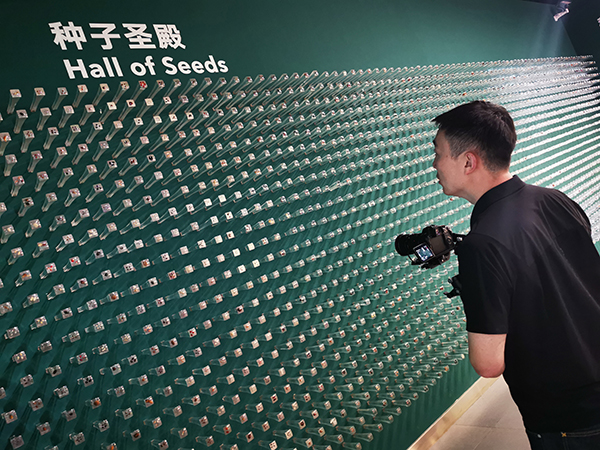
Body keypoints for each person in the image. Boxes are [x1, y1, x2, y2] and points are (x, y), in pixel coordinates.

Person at [431, 100, 600, 449]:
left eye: (438, 153)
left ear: (468, 161)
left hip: (568, 416)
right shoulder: (555, 199)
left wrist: (477, 291)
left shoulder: (482, 245)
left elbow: (488, 363)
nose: (434, 164)